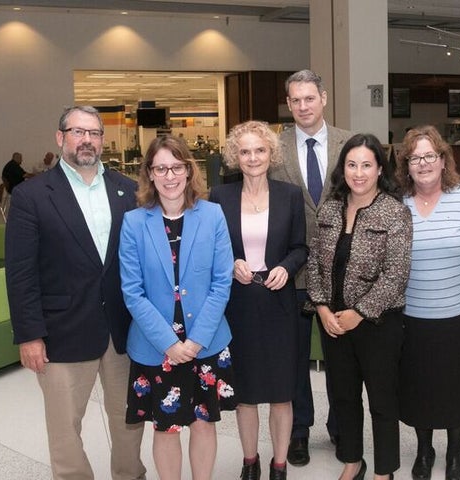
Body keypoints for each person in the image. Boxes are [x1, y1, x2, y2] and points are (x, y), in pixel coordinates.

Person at [5, 106, 146, 480]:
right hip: (61, 331)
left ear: (103, 139)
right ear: (60, 137)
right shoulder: (31, 195)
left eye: (94, 133)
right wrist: (30, 334)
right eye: (77, 132)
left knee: (129, 417)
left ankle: (130, 475)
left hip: (122, 331)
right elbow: (21, 273)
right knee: (65, 428)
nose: (87, 140)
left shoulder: (127, 190)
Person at [119, 134, 236, 480]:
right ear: (150, 174)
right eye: (161, 168)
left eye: (176, 167)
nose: (169, 176)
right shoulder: (135, 223)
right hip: (157, 345)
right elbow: (132, 291)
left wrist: (195, 341)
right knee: (165, 427)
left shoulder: (213, 216)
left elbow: (221, 283)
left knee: (203, 421)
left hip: (205, 340)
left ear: (188, 170)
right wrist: (169, 343)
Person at [395, 126, 460, 480]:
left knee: (459, 389)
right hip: (413, 319)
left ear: (443, 160)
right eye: (414, 158)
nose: (422, 164)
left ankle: (455, 454)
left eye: (429, 156)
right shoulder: (397, 206)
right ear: (406, 165)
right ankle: (424, 451)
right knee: (419, 388)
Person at [307, 133, 412, 480]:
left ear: (379, 168)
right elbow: (315, 265)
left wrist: (360, 313)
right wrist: (322, 309)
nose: (358, 172)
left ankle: (384, 470)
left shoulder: (395, 212)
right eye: (352, 165)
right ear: (343, 169)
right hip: (333, 322)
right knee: (344, 398)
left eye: (366, 164)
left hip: (378, 324)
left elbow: (396, 275)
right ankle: (352, 461)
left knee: (382, 402)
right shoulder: (331, 208)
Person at [209, 121, 307, 480]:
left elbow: (300, 247)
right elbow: (212, 249)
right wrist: (229, 261)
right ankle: (250, 462)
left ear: (271, 154)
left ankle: (278, 464)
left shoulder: (290, 195)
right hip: (238, 307)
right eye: (245, 151)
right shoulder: (220, 197)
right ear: (236, 156)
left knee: (282, 391)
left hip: (279, 303)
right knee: (245, 392)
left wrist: (286, 267)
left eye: (260, 150)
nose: (253, 157)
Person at [269, 68, 353, 465]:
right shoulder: (274, 148)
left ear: (323, 98)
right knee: (294, 356)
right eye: (295, 100)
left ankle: (342, 428)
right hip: (292, 270)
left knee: (342, 359)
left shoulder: (350, 143)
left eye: (309, 98)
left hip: (342, 272)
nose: (303, 106)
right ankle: (298, 431)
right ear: (289, 104)